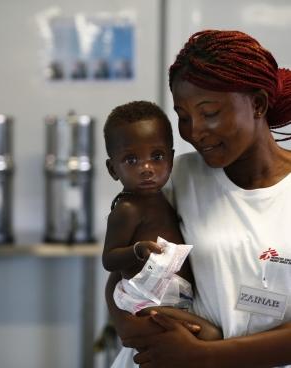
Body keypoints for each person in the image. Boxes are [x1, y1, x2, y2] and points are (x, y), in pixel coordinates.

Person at [105, 29, 291, 367]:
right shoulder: (175, 177)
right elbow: (120, 285)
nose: (194, 132)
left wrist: (206, 354)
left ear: (259, 104)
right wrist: (145, 331)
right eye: (183, 116)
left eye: (210, 112)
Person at [103, 101, 222, 367]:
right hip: (144, 299)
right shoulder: (127, 209)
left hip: (169, 296)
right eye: (132, 160)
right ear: (113, 169)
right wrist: (137, 251)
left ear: (170, 157)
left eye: (156, 157)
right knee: (211, 335)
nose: (146, 167)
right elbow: (108, 260)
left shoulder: (168, 193)